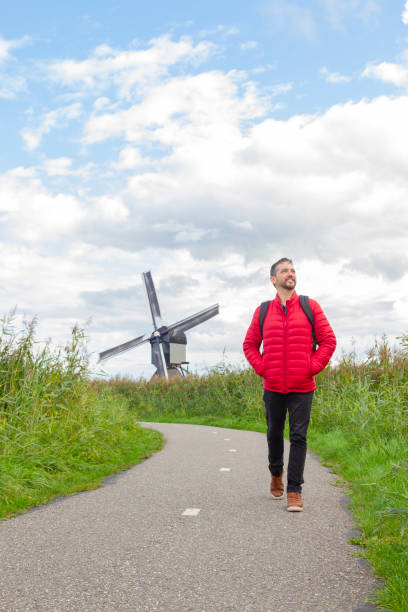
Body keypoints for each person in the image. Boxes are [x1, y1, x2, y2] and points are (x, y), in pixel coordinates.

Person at [243, 258, 336, 512]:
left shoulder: (310, 306)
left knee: (298, 436)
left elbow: (328, 341)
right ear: (273, 279)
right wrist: (263, 369)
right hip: (273, 386)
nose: (290, 274)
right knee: (274, 433)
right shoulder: (263, 311)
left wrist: (311, 367)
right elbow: (249, 345)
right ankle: (276, 473)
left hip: (302, 387)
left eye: (293, 270)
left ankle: (295, 491)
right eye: (284, 271)